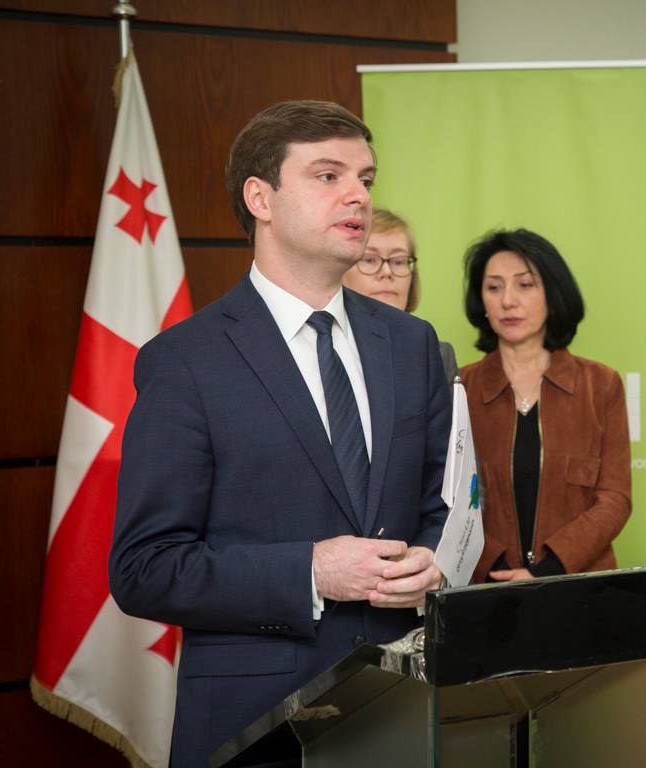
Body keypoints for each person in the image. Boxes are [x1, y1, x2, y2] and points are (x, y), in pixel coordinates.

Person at [108, 101, 451, 767]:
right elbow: (145, 569)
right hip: (257, 727)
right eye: (328, 175)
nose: (358, 195)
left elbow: (448, 507)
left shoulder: (412, 344)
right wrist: (311, 571)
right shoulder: (185, 361)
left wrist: (435, 561)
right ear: (260, 199)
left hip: (409, 712)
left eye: (366, 179)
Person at [459, 228, 631, 583]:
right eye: (494, 287)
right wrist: (498, 571)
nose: (508, 301)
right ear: (481, 302)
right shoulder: (460, 388)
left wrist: (546, 572)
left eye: (525, 285)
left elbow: (615, 499)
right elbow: (448, 502)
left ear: (553, 294)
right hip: (487, 590)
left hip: (579, 588)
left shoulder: (601, 384)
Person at [342, 207, 458, 386]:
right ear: (340, 270)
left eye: (398, 261)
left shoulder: (437, 355)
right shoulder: (323, 349)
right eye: (369, 259)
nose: (387, 272)